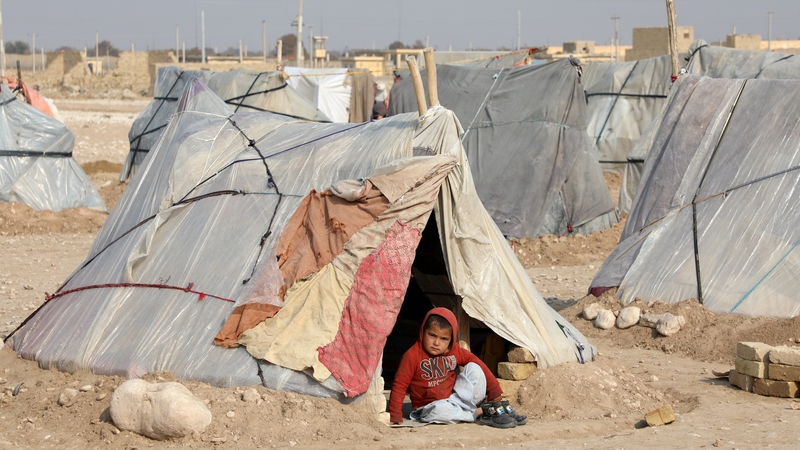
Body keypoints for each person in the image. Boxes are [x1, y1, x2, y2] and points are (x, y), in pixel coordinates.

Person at [388, 307, 527, 427]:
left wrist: (494, 390)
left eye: (444, 339)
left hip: (456, 399)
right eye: (432, 335)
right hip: (430, 406)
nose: (436, 342)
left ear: (451, 340)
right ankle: (478, 413)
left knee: (474, 367)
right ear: (422, 331)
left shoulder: (454, 351)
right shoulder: (412, 356)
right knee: (440, 411)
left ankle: (472, 411)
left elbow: (476, 362)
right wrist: (395, 414)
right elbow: (400, 385)